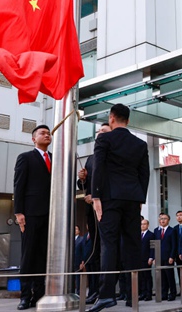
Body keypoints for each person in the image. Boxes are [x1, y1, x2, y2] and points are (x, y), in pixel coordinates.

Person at [89, 104, 151, 312]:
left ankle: (106, 295)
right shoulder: (140, 144)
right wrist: (140, 198)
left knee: (109, 244)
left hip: (110, 198)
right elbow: (145, 174)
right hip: (133, 198)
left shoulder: (104, 139)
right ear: (128, 120)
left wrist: (96, 196)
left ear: (111, 118)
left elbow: (98, 167)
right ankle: (133, 294)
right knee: (133, 245)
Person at [13, 124, 52, 310]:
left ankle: (39, 295)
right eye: (43, 133)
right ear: (33, 139)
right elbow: (18, 185)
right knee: (28, 256)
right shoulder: (25, 158)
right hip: (31, 213)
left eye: (49, 133)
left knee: (44, 256)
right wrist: (19, 212)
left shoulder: (55, 159)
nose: (47, 135)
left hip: (50, 215)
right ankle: (25, 296)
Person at [77, 122, 112, 304]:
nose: (99, 133)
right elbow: (84, 186)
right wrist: (82, 179)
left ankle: (107, 291)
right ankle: (94, 290)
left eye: (104, 131)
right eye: (98, 131)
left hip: (107, 209)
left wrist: (96, 196)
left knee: (107, 250)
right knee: (93, 251)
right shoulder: (91, 158)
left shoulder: (114, 155)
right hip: (91, 212)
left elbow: (112, 183)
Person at [154, 213, 178, 301]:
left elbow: (174, 245)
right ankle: (164, 293)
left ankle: (172, 293)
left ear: (168, 220)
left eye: (164, 218)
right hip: (159, 256)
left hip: (168, 257)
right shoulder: (156, 230)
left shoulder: (172, 230)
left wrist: (172, 256)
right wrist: (154, 257)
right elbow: (154, 245)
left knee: (169, 276)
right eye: (161, 218)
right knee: (162, 277)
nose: (162, 220)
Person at [140, 219, 154, 301]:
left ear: (148, 225)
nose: (143, 226)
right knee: (141, 277)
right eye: (141, 224)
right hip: (139, 259)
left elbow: (152, 247)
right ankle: (143, 293)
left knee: (147, 277)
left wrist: (151, 257)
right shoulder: (138, 234)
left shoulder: (151, 235)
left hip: (147, 259)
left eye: (144, 224)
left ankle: (149, 294)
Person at [74, 225, 87, 296]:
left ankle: (79, 292)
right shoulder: (69, 239)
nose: (74, 230)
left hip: (78, 261)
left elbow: (83, 251)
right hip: (70, 262)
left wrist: (82, 261)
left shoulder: (81, 239)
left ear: (79, 231)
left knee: (78, 278)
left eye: (76, 229)